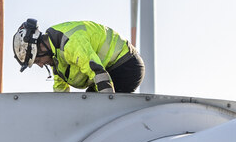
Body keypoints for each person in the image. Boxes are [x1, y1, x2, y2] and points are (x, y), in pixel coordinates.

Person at [12, 18, 145, 94]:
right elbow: (60, 91)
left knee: (92, 105)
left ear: (40, 47)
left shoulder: (70, 42)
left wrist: (107, 106)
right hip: (111, 70)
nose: (41, 65)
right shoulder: (56, 55)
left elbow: (97, 72)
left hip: (126, 66)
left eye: (37, 60)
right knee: (88, 103)